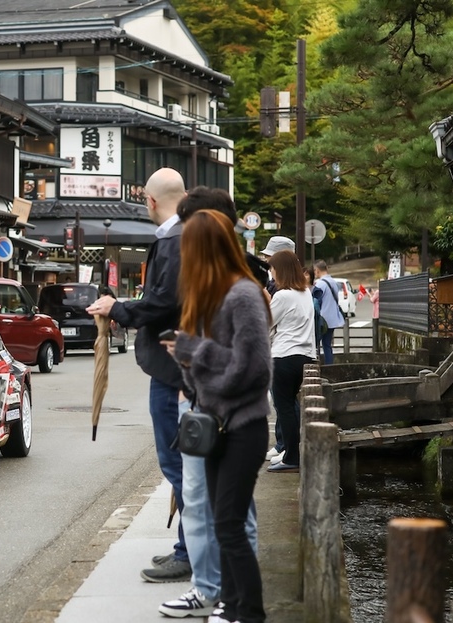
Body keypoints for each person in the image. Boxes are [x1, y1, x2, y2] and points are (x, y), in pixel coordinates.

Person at [157, 188, 261, 618]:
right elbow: (199, 371)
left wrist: (193, 351)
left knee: (232, 526)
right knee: (222, 519)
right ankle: (228, 604)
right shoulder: (206, 296)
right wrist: (186, 356)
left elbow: (251, 368)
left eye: (188, 245)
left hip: (242, 425)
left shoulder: (242, 295)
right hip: (215, 423)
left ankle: (246, 611)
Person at [86, 167, 192, 583]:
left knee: (178, 463)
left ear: (149, 200)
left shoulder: (175, 239)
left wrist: (119, 309)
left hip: (173, 367)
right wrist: (123, 309)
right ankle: (188, 547)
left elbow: (164, 302)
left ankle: (191, 551)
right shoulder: (185, 235)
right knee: (182, 463)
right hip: (177, 361)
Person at [264, 250, 315, 474]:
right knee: (290, 407)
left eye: (273, 269)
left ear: (280, 270)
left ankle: (291, 456)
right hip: (305, 357)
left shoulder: (283, 296)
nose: (272, 274)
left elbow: (265, 323)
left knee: (284, 408)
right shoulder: (305, 293)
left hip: (283, 356)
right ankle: (292, 453)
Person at [313, 260, 345, 365]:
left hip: (322, 320)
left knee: (315, 344)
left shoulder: (321, 284)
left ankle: (316, 366)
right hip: (333, 318)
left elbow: (316, 301)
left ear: (317, 270)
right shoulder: (333, 282)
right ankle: (329, 365)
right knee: (327, 345)